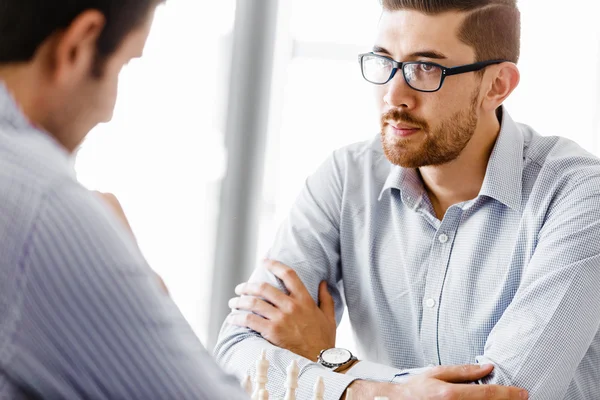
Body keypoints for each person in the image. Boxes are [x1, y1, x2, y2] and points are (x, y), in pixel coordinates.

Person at [216, 0, 600, 399]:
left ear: (496, 85)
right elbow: (236, 350)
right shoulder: (347, 177)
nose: (393, 95)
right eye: (384, 62)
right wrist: (370, 391)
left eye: (426, 68)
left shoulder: (579, 195)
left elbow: (501, 395)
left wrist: (333, 361)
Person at [0, 0, 248, 398]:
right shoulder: (46, 206)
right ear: (79, 45)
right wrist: (145, 286)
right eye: (124, 65)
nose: (109, 112)